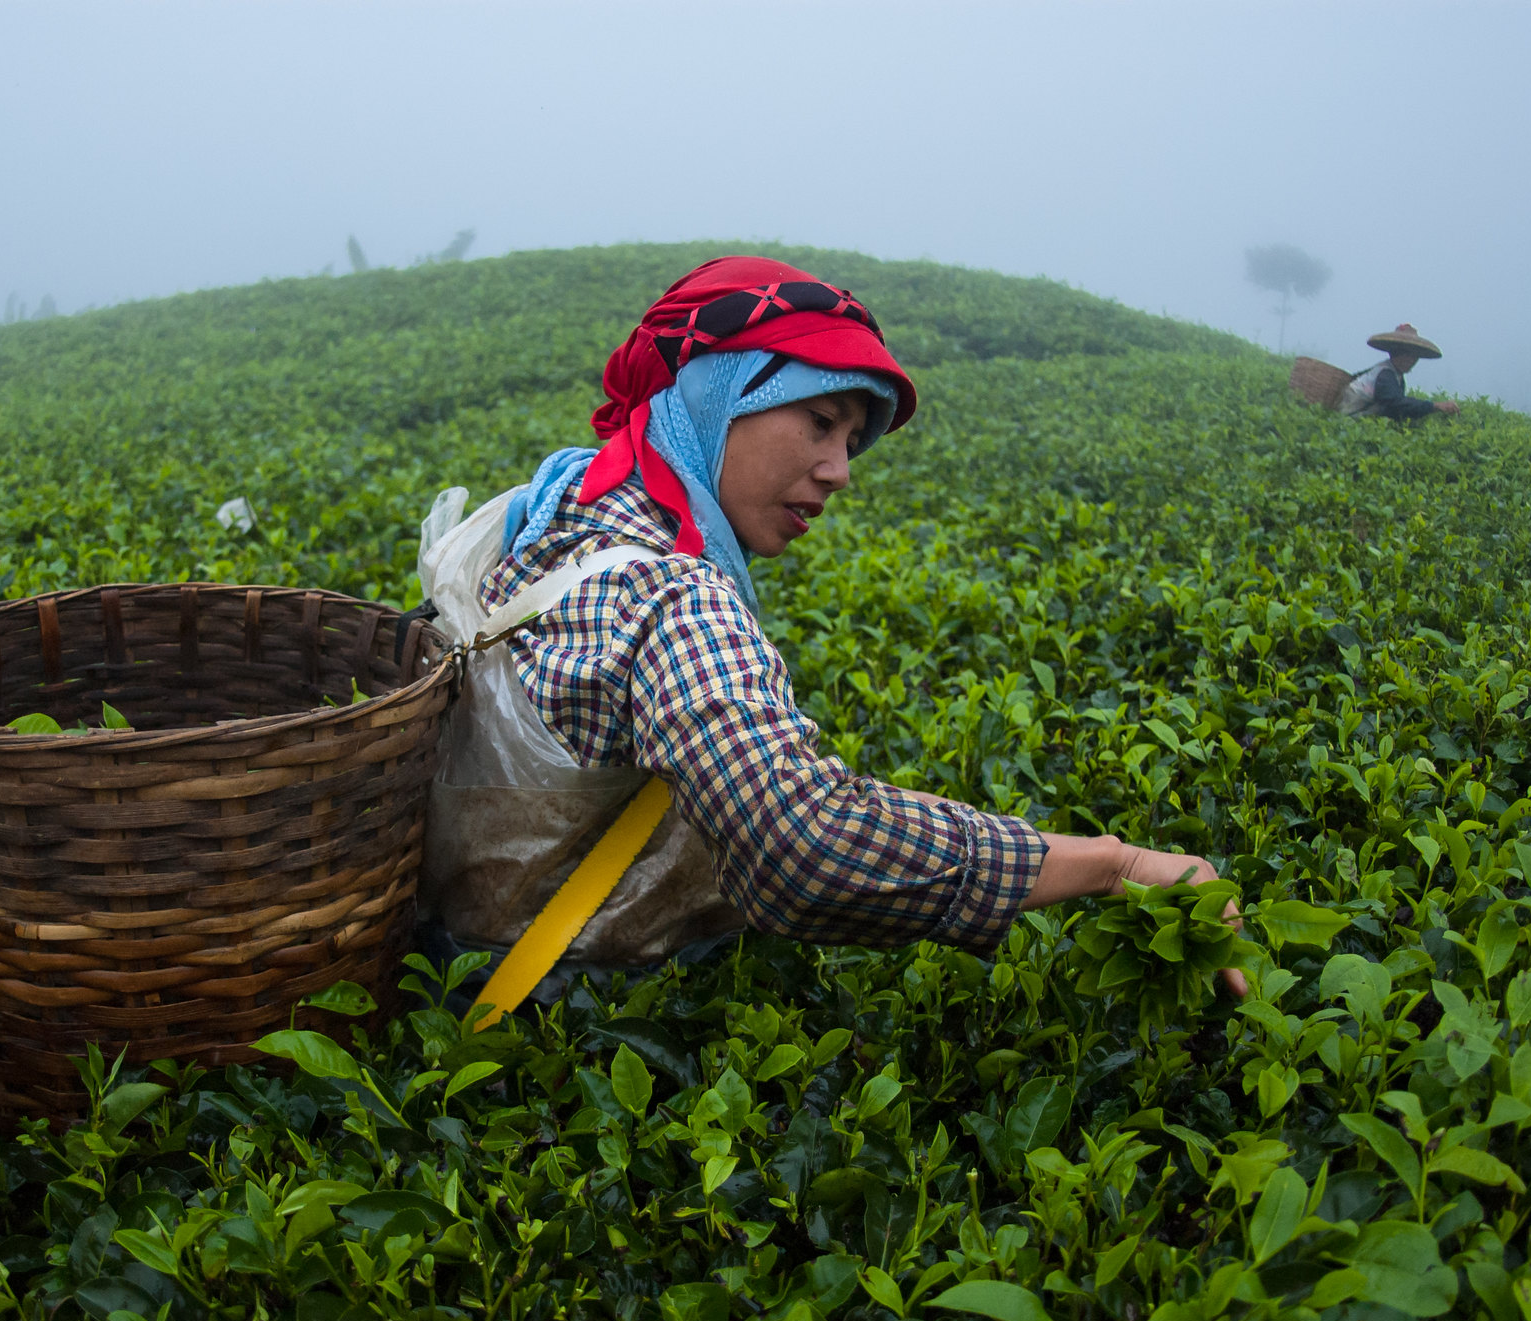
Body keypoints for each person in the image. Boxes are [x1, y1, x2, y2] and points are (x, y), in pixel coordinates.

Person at [415, 256, 1245, 1017]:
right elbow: (800, 842)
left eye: (851, 441)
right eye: (819, 421)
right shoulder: (669, 596)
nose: (841, 470)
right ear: (718, 399)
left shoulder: (563, 505)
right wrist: (1112, 864)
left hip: (457, 966)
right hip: (585, 1023)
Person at [1337, 323, 1461, 421]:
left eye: (1414, 356)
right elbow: (1396, 404)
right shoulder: (1385, 374)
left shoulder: (1393, 375)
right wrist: (1434, 406)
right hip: (1349, 420)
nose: (1410, 360)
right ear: (1393, 353)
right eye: (1405, 354)